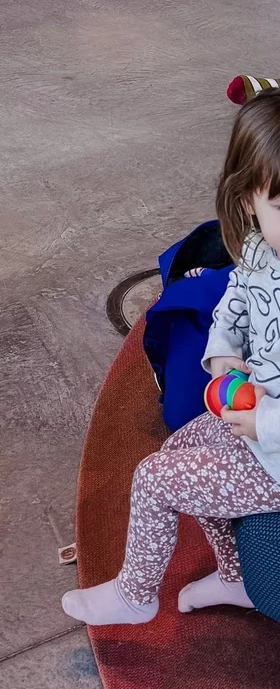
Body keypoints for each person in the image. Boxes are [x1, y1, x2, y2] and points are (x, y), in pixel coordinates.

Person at [63, 90, 280, 627]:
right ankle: (235, 576)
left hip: (275, 453)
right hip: (255, 417)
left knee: (156, 477)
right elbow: (233, 306)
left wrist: (263, 423)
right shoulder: (260, 252)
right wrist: (224, 355)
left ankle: (135, 595)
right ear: (247, 202)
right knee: (182, 443)